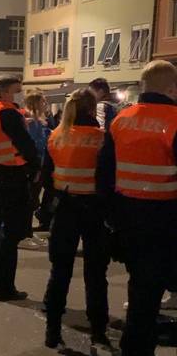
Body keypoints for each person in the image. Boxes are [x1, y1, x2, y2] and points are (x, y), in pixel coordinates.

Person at [97, 60, 177, 356]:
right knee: (151, 291)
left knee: (140, 288)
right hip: (164, 219)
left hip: (128, 218)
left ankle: (135, 347)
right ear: (171, 88)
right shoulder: (175, 120)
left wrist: (111, 217)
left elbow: (104, 173)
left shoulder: (122, 119)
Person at [41, 89, 109, 348]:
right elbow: (107, 177)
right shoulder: (101, 138)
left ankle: (53, 330)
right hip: (94, 209)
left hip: (65, 207)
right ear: (93, 109)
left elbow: (47, 177)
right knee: (95, 274)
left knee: (60, 271)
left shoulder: (57, 136)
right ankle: (99, 330)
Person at [0, 75, 39, 302]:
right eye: (18, 90)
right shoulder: (7, 113)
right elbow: (25, 144)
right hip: (13, 175)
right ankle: (5, 287)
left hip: (0, 173)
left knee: (0, 233)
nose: (21, 94)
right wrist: (35, 166)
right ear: (5, 91)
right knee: (10, 234)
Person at [23, 91, 52, 237]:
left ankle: (27, 231)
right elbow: (35, 143)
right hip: (34, 162)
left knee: (34, 196)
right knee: (31, 197)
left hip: (39, 161)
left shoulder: (39, 120)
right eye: (43, 101)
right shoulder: (30, 120)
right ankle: (25, 232)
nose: (45, 104)